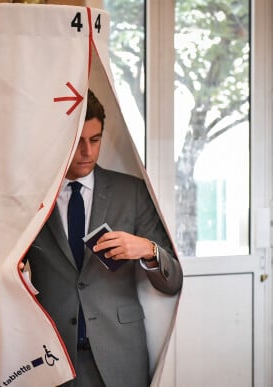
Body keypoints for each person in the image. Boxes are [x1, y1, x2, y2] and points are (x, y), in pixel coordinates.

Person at [24, 89, 183, 387]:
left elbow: (173, 280)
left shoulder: (132, 192)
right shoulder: (31, 199)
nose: (87, 152)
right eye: (77, 142)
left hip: (120, 353)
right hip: (52, 356)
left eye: (94, 140)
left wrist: (147, 249)